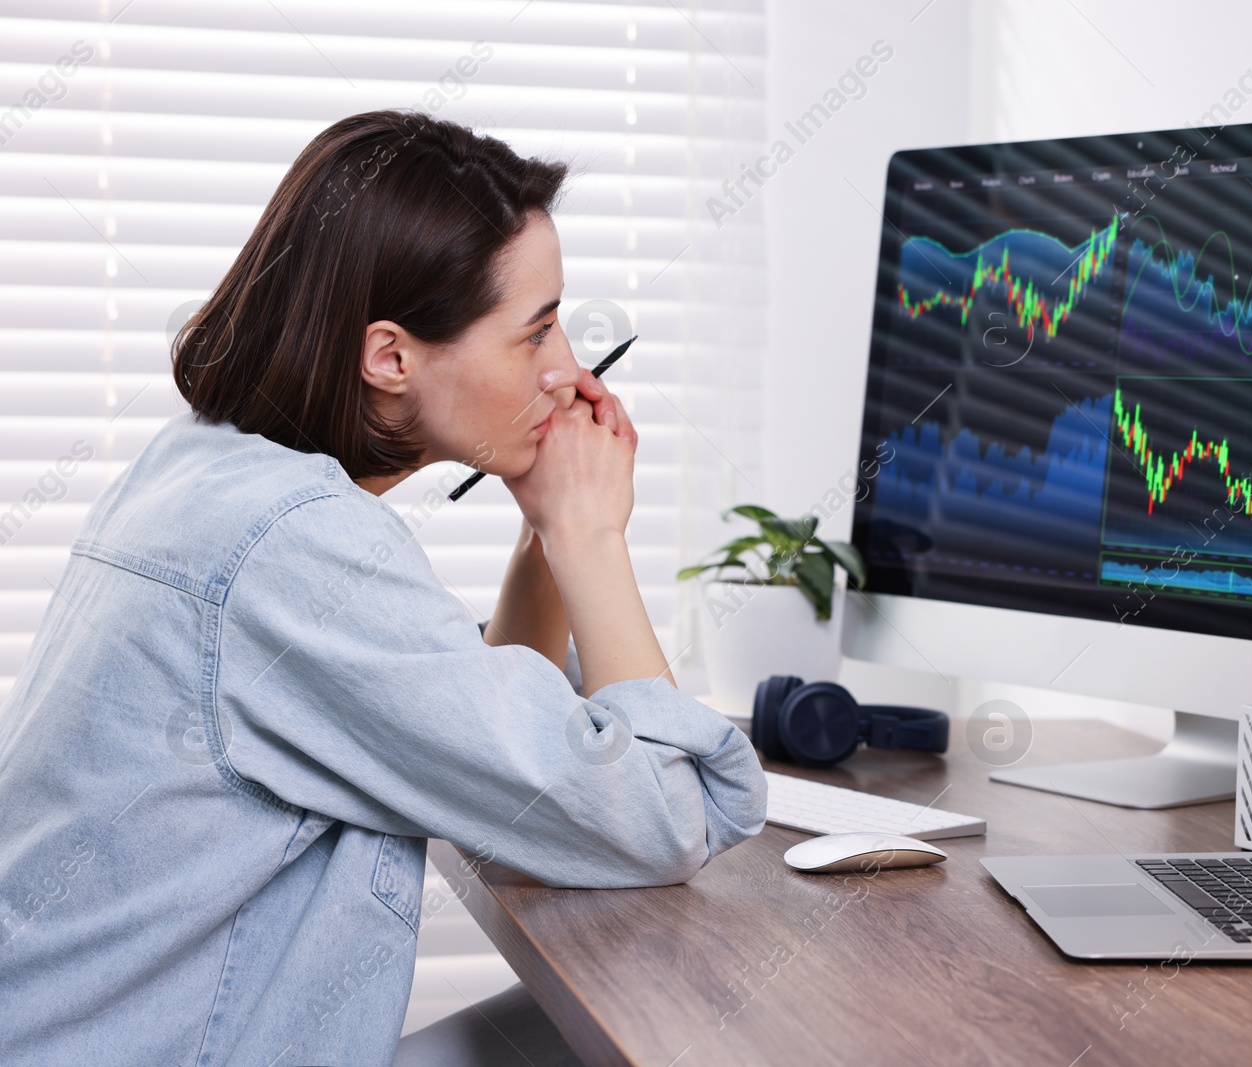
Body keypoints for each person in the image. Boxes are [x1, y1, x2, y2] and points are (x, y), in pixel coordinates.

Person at [0, 110, 767, 1065]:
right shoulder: (296, 547)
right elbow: (664, 819)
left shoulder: (205, 470)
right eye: (534, 334)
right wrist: (589, 535)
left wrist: (544, 538)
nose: (568, 368)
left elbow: (501, 766)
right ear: (390, 357)